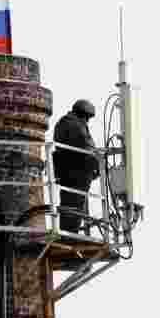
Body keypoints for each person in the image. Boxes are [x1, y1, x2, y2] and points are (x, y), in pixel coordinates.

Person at [52, 99, 100, 233]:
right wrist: (98, 163)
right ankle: (70, 234)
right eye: (88, 117)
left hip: (66, 171)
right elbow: (87, 147)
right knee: (75, 204)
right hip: (76, 172)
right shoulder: (75, 125)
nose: (88, 121)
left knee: (69, 204)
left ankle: (68, 232)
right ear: (83, 114)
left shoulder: (64, 122)